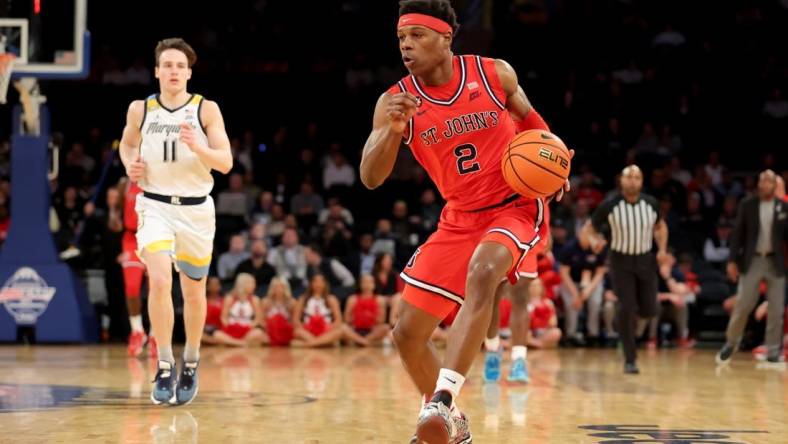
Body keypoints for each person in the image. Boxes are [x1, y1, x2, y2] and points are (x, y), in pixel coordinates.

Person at [360, 1, 569, 441]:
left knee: (485, 270)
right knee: (406, 335)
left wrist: (556, 163)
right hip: (459, 218)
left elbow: (534, 125)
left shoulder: (494, 75)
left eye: (417, 36)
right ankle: (454, 426)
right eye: (401, 38)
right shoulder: (394, 101)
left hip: (514, 205)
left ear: (446, 38)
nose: (406, 46)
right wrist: (391, 132)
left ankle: (442, 401)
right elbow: (371, 177)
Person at [119, 38, 232, 405]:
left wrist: (199, 148)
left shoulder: (206, 109)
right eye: (167, 65)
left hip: (196, 209)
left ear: (189, 72)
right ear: (156, 71)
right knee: (160, 280)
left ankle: (191, 360)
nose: (173, 71)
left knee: (194, 291)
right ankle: (165, 363)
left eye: (179, 66)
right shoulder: (141, 109)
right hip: (154, 205)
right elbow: (126, 144)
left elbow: (225, 162)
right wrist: (130, 164)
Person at [584, 165, 668, 374]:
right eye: (628, 177)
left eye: (637, 177)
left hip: (645, 259)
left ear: (641, 182)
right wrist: (594, 241)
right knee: (628, 305)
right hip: (620, 261)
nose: (632, 181)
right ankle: (630, 359)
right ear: (621, 181)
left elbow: (661, 226)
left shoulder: (651, 204)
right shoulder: (610, 205)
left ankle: (619, 320)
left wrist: (663, 249)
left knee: (650, 309)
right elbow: (589, 228)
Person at [716, 170, 788, 368]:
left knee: (776, 308)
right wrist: (732, 261)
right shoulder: (748, 204)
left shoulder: (783, 207)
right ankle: (731, 342)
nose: (765, 184)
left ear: (775, 185)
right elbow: (737, 234)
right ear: (758, 184)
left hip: (776, 262)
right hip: (753, 260)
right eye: (763, 180)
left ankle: (773, 351)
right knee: (743, 305)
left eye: (769, 181)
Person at [118, 178, 155, 358]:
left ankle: (156, 335)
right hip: (131, 238)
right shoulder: (125, 182)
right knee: (131, 287)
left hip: (155, 235)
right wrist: (114, 217)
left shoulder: (161, 175)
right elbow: (117, 207)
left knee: (157, 288)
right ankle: (137, 331)